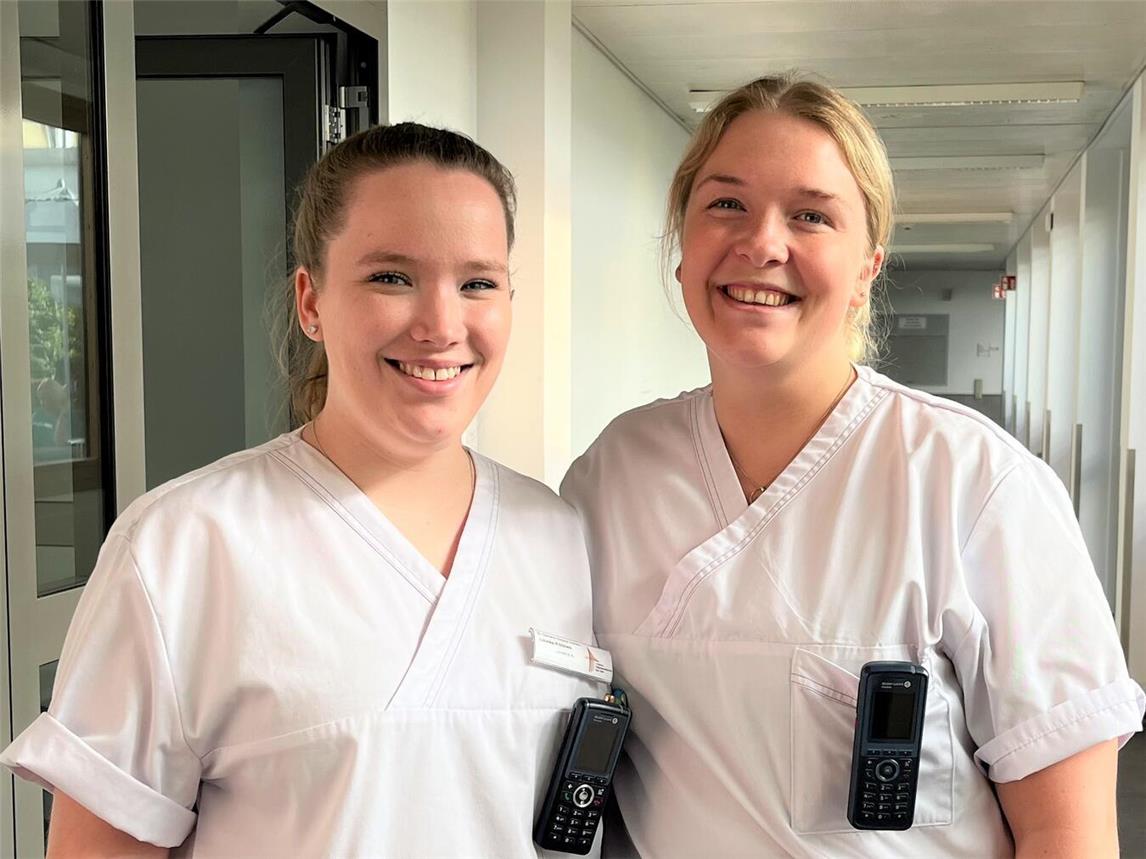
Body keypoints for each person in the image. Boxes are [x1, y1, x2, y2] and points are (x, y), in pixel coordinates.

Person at [562, 74, 1145, 857]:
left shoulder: (974, 483)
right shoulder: (611, 475)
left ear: (869, 265)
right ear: (682, 248)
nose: (762, 243)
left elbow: (1067, 836)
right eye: (725, 204)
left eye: (811, 215)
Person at [3, 123, 602, 857]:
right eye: (392, 277)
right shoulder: (186, 545)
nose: (442, 325)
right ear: (311, 301)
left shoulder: (560, 535)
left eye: (477, 283)